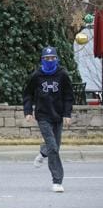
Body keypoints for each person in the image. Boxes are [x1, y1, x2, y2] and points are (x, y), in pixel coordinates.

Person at [23, 46, 73, 193]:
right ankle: (57, 181)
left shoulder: (62, 74)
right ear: (42, 60)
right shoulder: (36, 76)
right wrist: (28, 111)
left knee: (54, 147)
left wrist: (67, 114)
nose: (50, 61)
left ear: (56, 59)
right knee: (53, 147)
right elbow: (28, 94)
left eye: (52, 58)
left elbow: (68, 96)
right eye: (47, 59)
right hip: (43, 115)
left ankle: (43, 153)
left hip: (58, 115)